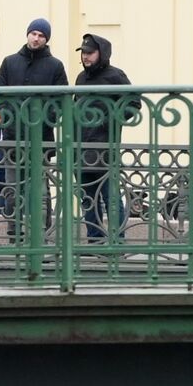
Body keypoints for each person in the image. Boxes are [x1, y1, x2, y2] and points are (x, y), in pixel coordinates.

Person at [0, 18, 68, 235]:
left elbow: (61, 100)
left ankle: (42, 233)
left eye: (41, 35)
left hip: (41, 138)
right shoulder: (10, 62)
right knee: (12, 190)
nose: (36, 38)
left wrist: (44, 118)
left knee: (40, 189)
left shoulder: (55, 66)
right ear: (27, 35)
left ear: (46, 40)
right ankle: (14, 232)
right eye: (33, 33)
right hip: (12, 137)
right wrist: (8, 116)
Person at [73, 33, 135, 246]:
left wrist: (108, 120)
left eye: (89, 53)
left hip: (105, 148)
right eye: (83, 53)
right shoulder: (81, 78)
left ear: (102, 53)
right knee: (88, 200)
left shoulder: (115, 76)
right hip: (81, 148)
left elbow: (133, 104)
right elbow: (74, 109)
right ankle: (94, 241)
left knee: (112, 199)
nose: (85, 57)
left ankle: (117, 243)